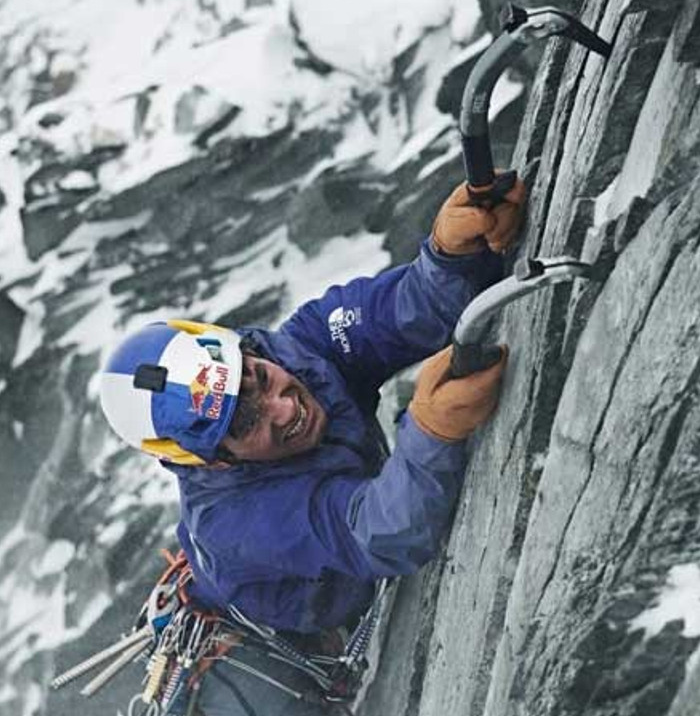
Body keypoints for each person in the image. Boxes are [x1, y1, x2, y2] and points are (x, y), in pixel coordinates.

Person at [96, 178, 526, 714]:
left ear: (244, 348)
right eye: (244, 423)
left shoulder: (298, 347)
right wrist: (430, 430)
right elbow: (384, 533)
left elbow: (403, 309)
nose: (283, 408)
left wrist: (452, 254)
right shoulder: (236, 520)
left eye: (254, 378)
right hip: (288, 641)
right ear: (216, 461)